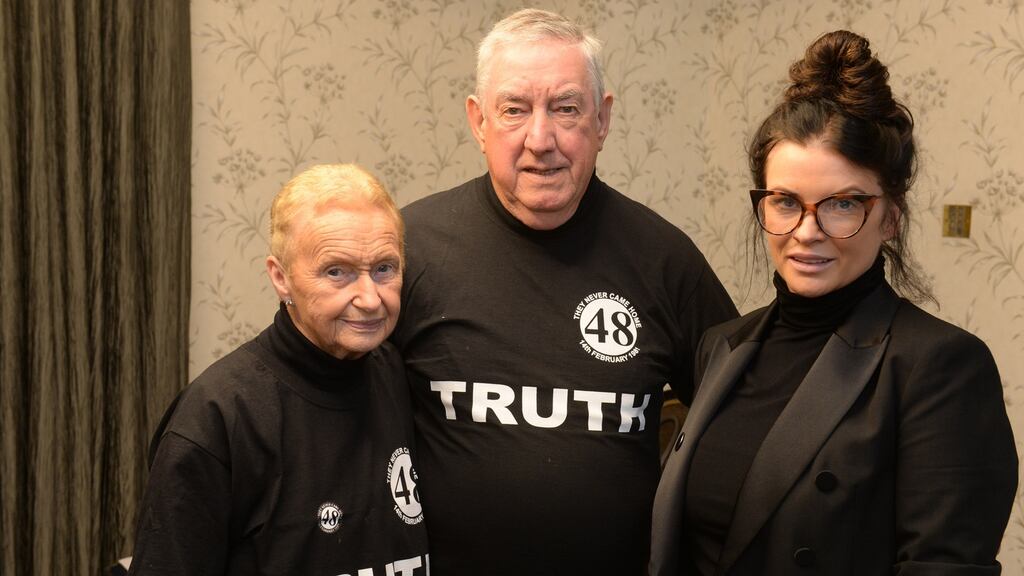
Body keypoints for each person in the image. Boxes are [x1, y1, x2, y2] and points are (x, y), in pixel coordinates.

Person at [650, 30, 1018, 576]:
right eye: (785, 202)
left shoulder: (938, 367)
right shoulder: (720, 347)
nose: (807, 231)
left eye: (841, 204)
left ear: (890, 216)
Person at [390, 8, 738, 575]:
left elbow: (738, 429)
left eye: (566, 108)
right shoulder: (411, 251)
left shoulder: (665, 259)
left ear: (602, 120)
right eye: (514, 110)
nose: (540, 139)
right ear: (479, 122)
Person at [129, 164, 429, 575]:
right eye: (336, 272)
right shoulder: (218, 417)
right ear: (281, 278)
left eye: (384, 268)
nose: (370, 298)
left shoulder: (399, 374)